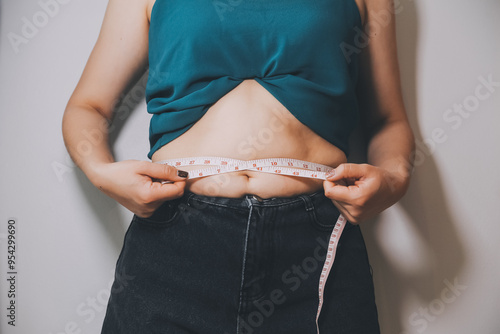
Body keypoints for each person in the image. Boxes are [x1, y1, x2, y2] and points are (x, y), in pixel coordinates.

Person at [62, 0, 415, 333]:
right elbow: (88, 106)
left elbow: (388, 120)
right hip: (175, 235)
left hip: (317, 239)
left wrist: (394, 180)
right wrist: (102, 173)